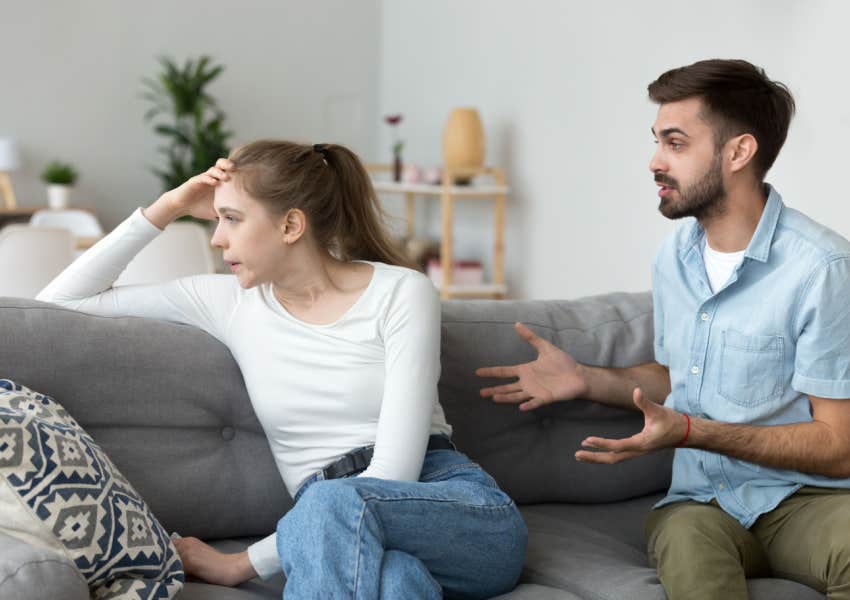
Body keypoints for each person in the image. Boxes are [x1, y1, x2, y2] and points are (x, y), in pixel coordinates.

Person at [38, 140, 527, 599]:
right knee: (397, 581)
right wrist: (166, 207)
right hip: (332, 530)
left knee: (330, 506)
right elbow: (56, 304)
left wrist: (240, 564)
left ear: (291, 226)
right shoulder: (229, 303)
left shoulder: (401, 292)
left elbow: (394, 474)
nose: (215, 237)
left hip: (454, 510)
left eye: (231, 218)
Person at [477, 59, 850, 599]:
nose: (655, 161)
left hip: (805, 500)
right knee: (691, 557)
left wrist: (693, 431)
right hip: (698, 506)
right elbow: (680, 378)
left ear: (738, 152)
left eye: (675, 143)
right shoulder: (675, 256)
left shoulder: (822, 269)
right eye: (657, 141)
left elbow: (838, 446)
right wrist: (584, 377)